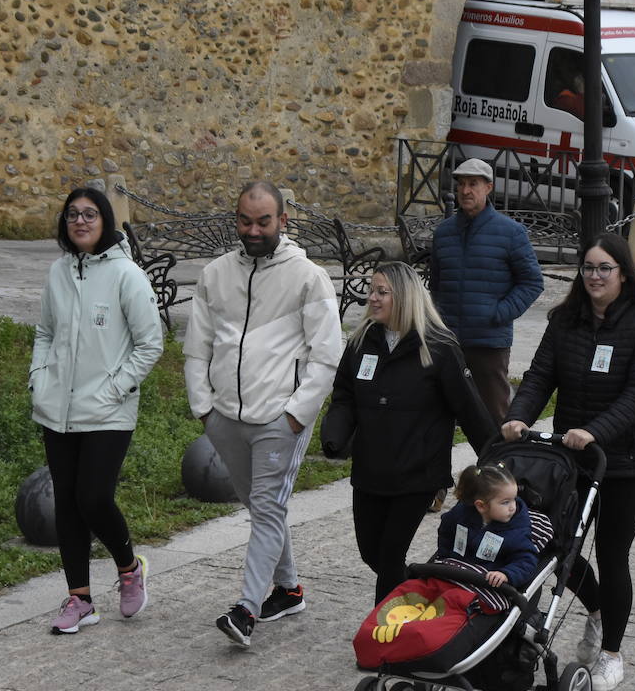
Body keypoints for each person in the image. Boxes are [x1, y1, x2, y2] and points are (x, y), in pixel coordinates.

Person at [502, 233, 635, 691]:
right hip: (571, 456)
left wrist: (596, 430)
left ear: (623, 275)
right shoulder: (566, 322)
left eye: (604, 269)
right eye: (588, 268)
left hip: (628, 460)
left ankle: (612, 653)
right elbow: (539, 376)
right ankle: (597, 610)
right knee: (559, 548)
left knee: (613, 553)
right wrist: (519, 417)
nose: (594, 276)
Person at [183, 181, 342, 647]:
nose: (252, 230)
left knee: (268, 506)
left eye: (263, 222)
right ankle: (289, 589)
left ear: (283, 222)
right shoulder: (215, 274)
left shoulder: (308, 277)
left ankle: (246, 609)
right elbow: (197, 345)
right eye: (244, 221)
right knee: (260, 507)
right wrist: (203, 409)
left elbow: (327, 354)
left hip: (280, 416)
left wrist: (296, 414)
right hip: (224, 415)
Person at [320, 261, 495, 604]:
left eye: (381, 291)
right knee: (371, 552)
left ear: (404, 297)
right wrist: (335, 434)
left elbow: (470, 410)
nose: (372, 298)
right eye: (371, 290)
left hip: (418, 473)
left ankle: (382, 639)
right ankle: (422, 595)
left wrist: (497, 462)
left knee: (388, 557)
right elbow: (344, 396)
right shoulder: (361, 343)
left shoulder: (440, 347)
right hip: (371, 471)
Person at [31, 186, 164, 635]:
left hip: (108, 410)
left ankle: (128, 568)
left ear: (105, 221)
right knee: (66, 504)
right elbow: (44, 332)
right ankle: (80, 599)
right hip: (58, 408)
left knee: (93, 498)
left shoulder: (127, 276)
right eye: (72, 215)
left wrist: (115, 388)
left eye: (90, 214)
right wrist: (39, 378)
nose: (81, 221)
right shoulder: (57, 273)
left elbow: (151, 345)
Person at [430, 157, 545, 424]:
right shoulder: (444, 233)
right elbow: (436, 284)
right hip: (447, 341)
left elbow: (532, 282)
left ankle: (499, 464)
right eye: (461, 184)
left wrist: (498, 313)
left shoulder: (511, 233)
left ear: (488, 188)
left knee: (495, 415)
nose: (466, 190)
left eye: (473, 184)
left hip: (488, 342)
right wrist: (437, 321)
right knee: (440, 413)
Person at [432, 464, 538, 590]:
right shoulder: (460, 514)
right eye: (506, 502)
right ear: (481, 506)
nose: (513, 507)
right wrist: (444, 556)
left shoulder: (516, 530)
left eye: (514, 499)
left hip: (485, 584)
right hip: (454, 573)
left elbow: (526, 560)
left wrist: (506, 574)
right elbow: (446, 531)